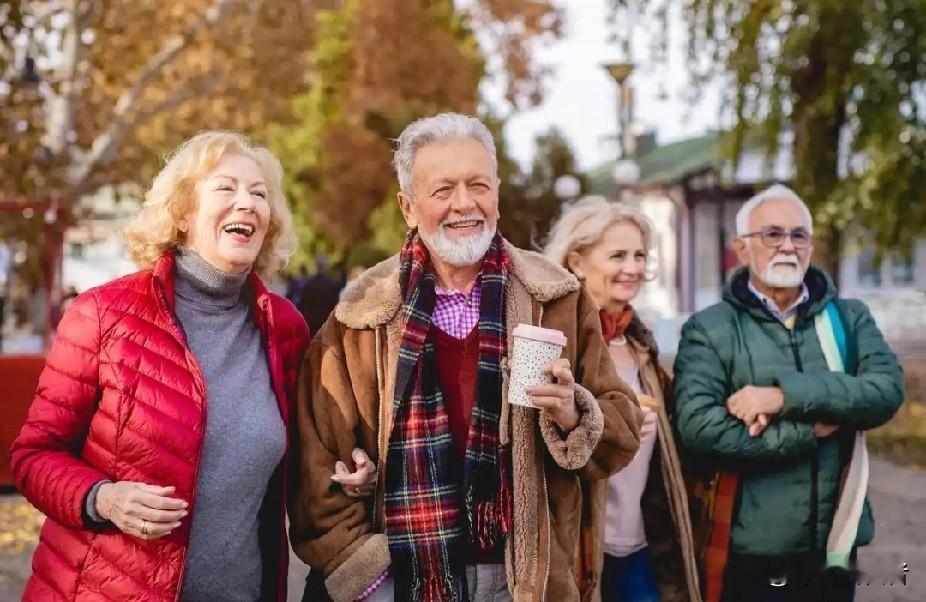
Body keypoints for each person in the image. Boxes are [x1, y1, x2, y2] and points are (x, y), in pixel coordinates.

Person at [289, 113, 642, 602]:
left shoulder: (556, 297)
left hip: (524, 578)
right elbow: (314, 467)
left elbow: (621, 431)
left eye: (478, 185)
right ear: (408, 207)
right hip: (401, 574)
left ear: (496, 192)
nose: (464, 204)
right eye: (443, 190)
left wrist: (572, 411)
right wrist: (364, 572)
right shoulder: (360, 314)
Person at [10, 131, 310, 601]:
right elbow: (33, 457)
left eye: (259, 193)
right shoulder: (102, 314)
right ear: (184, 213)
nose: (247, 203)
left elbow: (301, 458)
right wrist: (102, 499)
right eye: (226, 188)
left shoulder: (285, 328)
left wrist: (349, 469)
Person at [672, 184, 904, 602]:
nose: (788, 246)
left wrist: (781, 398)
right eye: (772, 234)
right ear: (741, 249)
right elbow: (700, 428)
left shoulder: (849, 319)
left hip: (837, 544)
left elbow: (884, 392)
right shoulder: (710, 328)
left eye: (799, 235)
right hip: (753, 556)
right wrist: (808, 431)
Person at [545, 198, 701, 602]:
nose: (632, 268)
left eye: (639, 256)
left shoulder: (641, 346)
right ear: (577, 262)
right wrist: (610, 423)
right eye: (617, 255)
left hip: (639, 542)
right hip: (575, 547)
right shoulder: (554, 338)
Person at [297, 255, 343, 335]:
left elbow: (303, 306)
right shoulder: (333, 285)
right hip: (327, 324)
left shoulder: (309, 284)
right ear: (326, 267)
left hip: (311, 325)